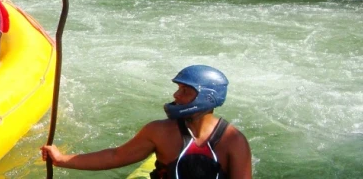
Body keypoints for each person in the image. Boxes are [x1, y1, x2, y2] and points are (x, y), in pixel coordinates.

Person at [40, 65, 253, 179]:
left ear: (207, 98)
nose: (176, 95)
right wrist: (62, 160)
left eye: (185, 91)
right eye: (178, 88)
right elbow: (116, 156)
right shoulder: (159, 131)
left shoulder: (233, 141)